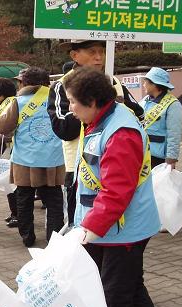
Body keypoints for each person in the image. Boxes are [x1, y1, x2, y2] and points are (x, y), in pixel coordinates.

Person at [64, 67, 170, 307]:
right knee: (131, 281)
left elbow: (116, 191)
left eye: (73, 101)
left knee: (115, 290)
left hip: (121, 228)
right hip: (115, 226)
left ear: (93, 100)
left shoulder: (120, 132)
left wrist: (90, 229)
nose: (70, 108)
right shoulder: (103, 120)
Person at [48, 39, 144, 225]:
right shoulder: (62, 85)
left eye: (102, 51)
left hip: (115, 166)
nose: (99, 57)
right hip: (81, 171)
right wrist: (91, 106)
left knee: (117, 219)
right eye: (92, 52)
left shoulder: (114, 82)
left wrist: (114, 108)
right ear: (74, 55)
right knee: (80, 225)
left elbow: (139, 116)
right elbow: (63, 129)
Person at [0, 67, 65, 247]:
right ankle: (54, 239)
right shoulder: (56, 99)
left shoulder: (18, 102)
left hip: (25, 161)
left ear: (24, 83)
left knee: (24, 200)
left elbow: (2, 128)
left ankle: (28, 237)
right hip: (54, 160)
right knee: (54, 201)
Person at [139, 67, 182, 169]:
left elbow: (174, 133)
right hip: (142, 153)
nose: (143, 84)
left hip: (159, 157)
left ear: (154, 84)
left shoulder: (173, 104)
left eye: (146, 82)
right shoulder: (145, 100)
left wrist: (171, 159)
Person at [0, 77, 19, 228]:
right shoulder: (8, 103)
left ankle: (17, 214)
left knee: (11, 184)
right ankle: (14, 213)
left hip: (9, 148)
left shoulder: (10, 104)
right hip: (8, 147)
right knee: (9, 184)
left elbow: (8, 128)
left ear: (0, 92)